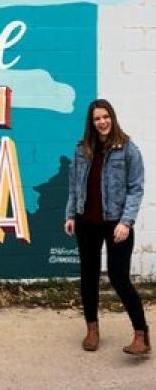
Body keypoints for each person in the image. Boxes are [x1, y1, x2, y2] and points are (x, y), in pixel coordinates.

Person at [65, 98, 150, 355]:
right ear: (91, 123)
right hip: (86, 222)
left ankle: (141, 334)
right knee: (88, 276)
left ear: (112, 118)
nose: (102, 122)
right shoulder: (82, 150)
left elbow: (136, 189)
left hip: (116, 224)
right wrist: (71, 215)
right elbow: (74, 186)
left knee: (119, 277)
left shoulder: (128, 149)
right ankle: (92, 330)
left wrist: (126, 222)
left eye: (105, 117)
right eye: (97, 119)